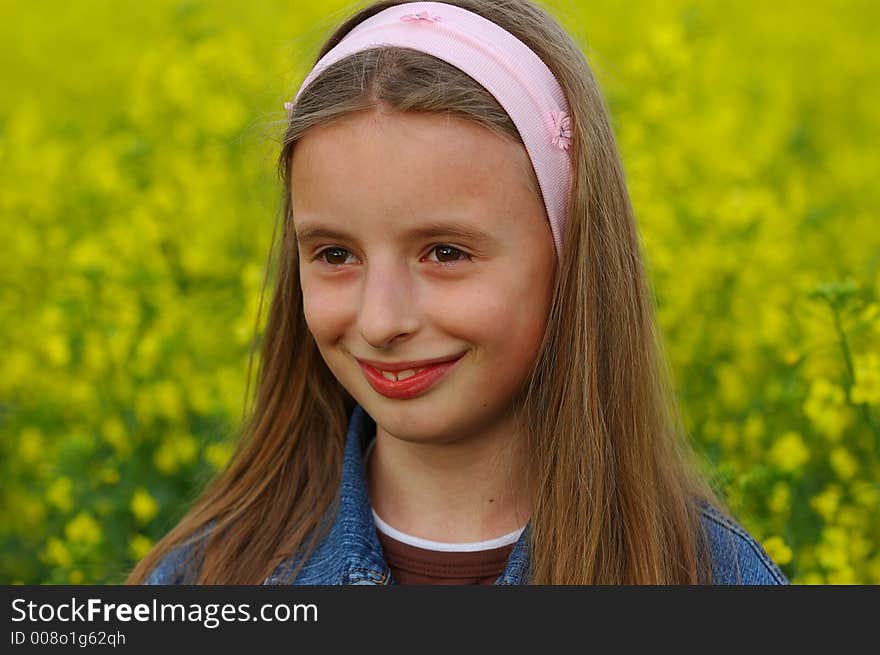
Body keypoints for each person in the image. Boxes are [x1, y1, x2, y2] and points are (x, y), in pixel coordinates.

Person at [126, 0, 789, 585]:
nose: (381, 319)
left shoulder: (710, 578)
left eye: (445, 253)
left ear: (571, 259)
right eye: (334, 254)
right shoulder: (203, 577)